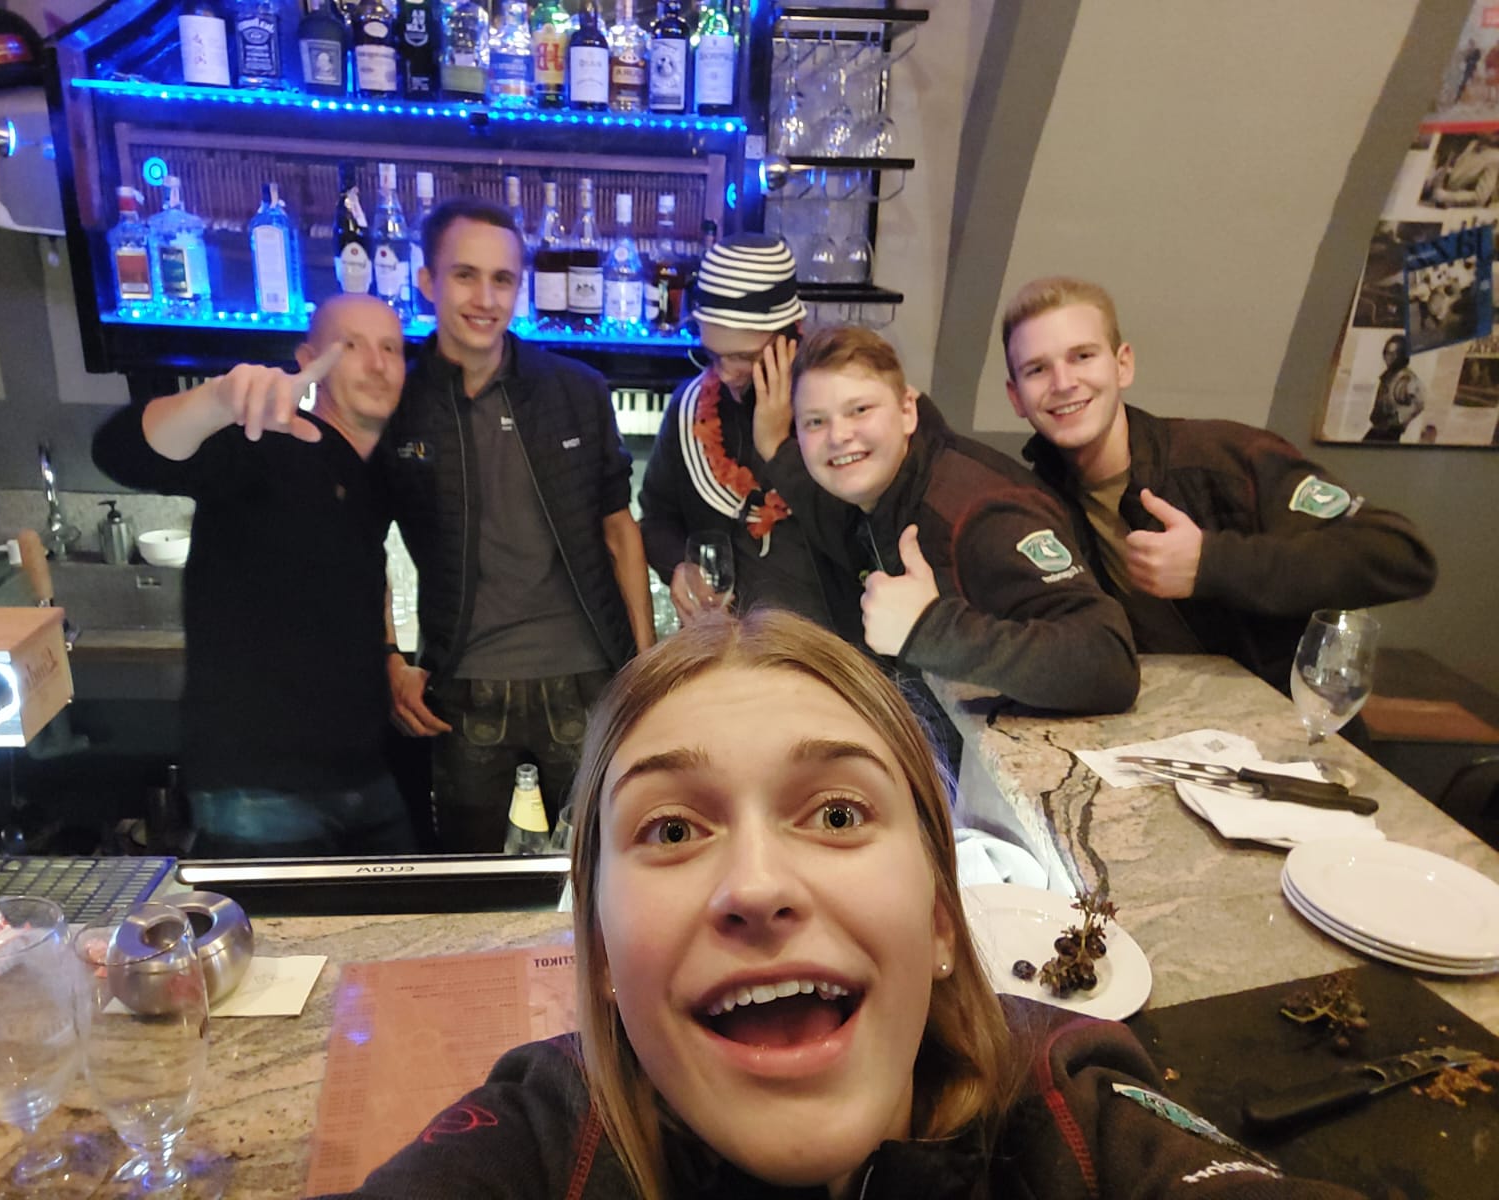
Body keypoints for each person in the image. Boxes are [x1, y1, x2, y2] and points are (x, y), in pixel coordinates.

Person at [322, 609, 1365, 1199]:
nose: (758, 887)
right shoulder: (538, 1141)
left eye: (835, 813)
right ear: (597, 951)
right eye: (672, 830)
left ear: (943, 919)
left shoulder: (1069, 1115)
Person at [92, 294, 415, 856]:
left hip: (361, 773)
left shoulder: (374, 471)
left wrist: (389, 652)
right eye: (351, 345)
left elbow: (363, 570)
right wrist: (217, 400)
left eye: (390, 347)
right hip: (260, 788)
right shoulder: (264, 440)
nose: (376, 362)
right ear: (308, 359)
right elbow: (121, 451)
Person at [1002, 276, 1437, 690]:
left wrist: (1211, 563)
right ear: (1016, 397)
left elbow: (1400, 556)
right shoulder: (1036, 502)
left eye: (1082, 356)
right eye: (1037, 369)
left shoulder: (1224, 457)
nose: (1064, 383)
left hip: (1280, 727)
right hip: (1150, 724)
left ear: (1122, 365)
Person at [383, 196, 655, 853]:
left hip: (587, 678)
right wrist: (387, 657)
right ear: (428, 281)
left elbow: (620, 529)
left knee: (602, 867)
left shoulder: (577, 390)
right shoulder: (400, 400)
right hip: (462, 686)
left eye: (502, 279)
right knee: (469, 877)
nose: (485, 298)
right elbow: (359, 543)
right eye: (465, 275)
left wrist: (646, 666)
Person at [751, 325, 1139, 717]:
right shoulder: (871, 491)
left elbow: (1109, 663)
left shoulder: (982, 511)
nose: (838, 436)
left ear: (907, 411)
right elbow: (825, 509)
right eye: (815, 422)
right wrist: (774, 449)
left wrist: (928, 629)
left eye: (860, 410)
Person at [638, 233, 834, 627]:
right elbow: (657, 518)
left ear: (791, 336)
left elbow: (849, 533)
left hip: (816, 643)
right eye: (713, 355)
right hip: (718, 640)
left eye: (744, 356)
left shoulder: (837, 416)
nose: (725, 374)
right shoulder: (690, 408)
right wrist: (678, 565)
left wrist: (777, 447)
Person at [1363, 334, 1425, 443]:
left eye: (1393, 354)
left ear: (1401, 355)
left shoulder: (1406, 378)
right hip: (1379, 427)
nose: (1389, 357)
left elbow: (1418, 403)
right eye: (1387, 353)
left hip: (1390, 431)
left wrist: (1397, 420)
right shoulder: (1388, 376)